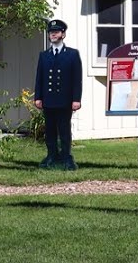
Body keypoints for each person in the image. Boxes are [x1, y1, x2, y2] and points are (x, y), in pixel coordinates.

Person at [33, 19, 83, 170]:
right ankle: (51, 156)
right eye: (51, 32)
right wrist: (38, 97)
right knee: (50, 131)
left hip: (64, 100)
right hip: (48, 100)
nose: (53, 35)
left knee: (64, 130)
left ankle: (67, 157)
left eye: (56, 32)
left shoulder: (72, 54)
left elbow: (77, 79)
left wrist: (76, 99)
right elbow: (39, 78)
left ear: (63, 34)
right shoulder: (44, 55)